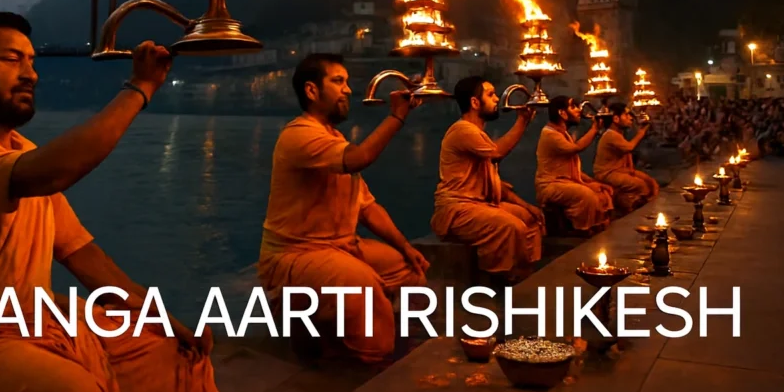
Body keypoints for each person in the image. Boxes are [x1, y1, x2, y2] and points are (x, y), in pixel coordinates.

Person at [0, 11, 218, 392]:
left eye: (31, 61)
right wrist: (139, 88)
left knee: (166, 350)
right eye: (12, 60)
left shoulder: (21, 152)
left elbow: (80, 252)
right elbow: (52, 172)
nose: (31, 74)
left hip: (30, 319)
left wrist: (156, 315)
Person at [257, 53, 429, 364]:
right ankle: (342, 342)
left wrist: (405, 246)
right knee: (364, 285)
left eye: (347, 82)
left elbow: (367, 207)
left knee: (409, 272)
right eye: (338, 81)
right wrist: (396, 117)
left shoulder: (333, 138)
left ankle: (366, 334)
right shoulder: (299, 135)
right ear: (311, 91)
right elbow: (360, 157)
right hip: (296, 256)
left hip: (340, 247)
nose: (348, 90)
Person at [430, 76, 545, 285]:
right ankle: (500, 278)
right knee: (512, 227)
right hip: (458, 210)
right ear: (475, 102)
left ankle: (524, 272)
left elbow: (493, 184)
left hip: (482, 205)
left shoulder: (478, 134)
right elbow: (498, 152)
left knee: (530, 219)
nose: (497, 98)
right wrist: (522, 121)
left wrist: (526, 205)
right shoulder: (462, 130)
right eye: (491, 94)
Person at [534, 96, 614, 235]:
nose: (578, 110)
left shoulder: (563, 133)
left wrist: (592, 181)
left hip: (566, 181)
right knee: (587, 195)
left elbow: (571, 168)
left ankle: (596, 228)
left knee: (602, 192)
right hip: (550, 185)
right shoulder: (549, 134)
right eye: (573, 107)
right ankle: (581, 229)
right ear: (562, 113)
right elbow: (575, 149)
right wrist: (594, 129)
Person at [592, 103, 659, 212]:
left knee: (651, 183)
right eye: (626, 115)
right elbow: (629, 147)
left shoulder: (618, 134)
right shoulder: (610, 134)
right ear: (616, 118)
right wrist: (641, 133)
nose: (630, 118)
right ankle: (627, 209)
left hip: (620, 170)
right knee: (641, 185)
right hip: (607, 173)